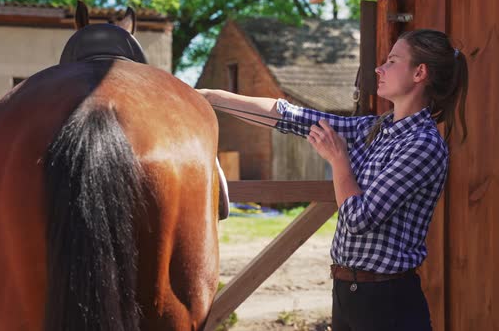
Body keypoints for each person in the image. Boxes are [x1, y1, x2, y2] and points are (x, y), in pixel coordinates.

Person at [197, 29, 468, 331]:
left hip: (387, 303)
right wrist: (208, 98)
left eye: (392, 61)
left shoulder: (423, 145)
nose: (380, 68)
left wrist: (339, 161)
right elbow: (290, 117)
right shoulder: (375, 129)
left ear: (419, 73)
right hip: (347, 294)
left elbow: (358, 218)